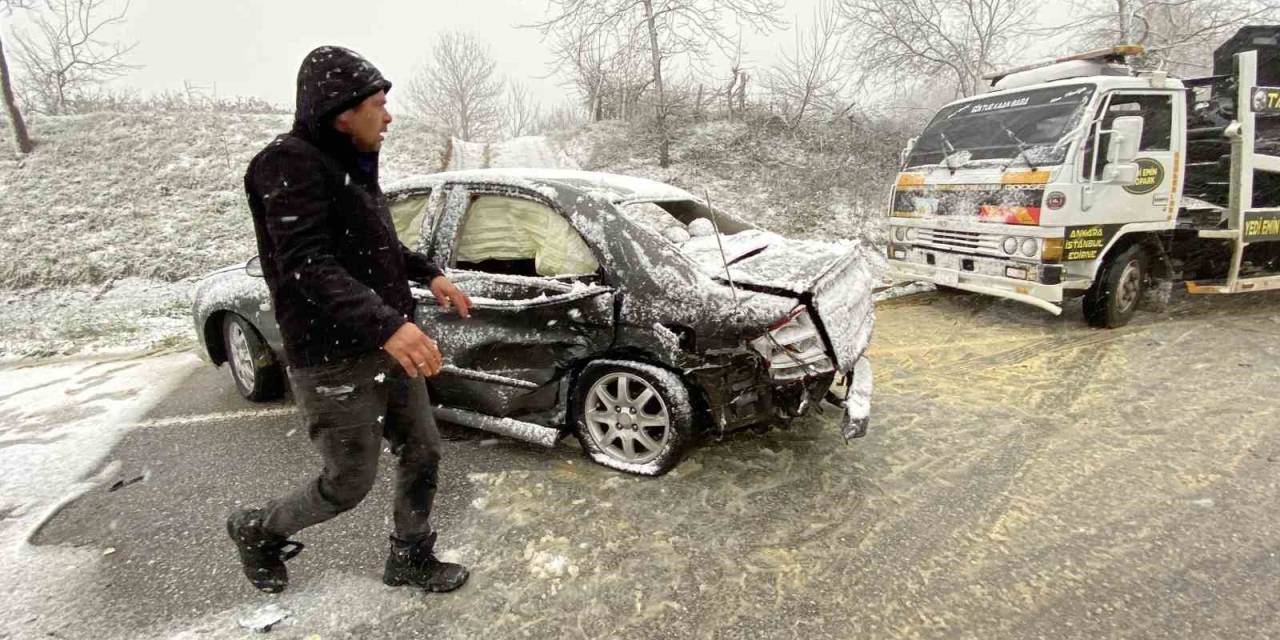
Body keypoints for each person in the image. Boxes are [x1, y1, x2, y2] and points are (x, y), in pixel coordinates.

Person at [227, 45, 472, 595]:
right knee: (347, 483)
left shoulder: (351, 168)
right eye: (380, 104)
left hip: (385, 344)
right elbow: (305, 266)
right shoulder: (286, 164)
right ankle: (258, 529)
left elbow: (375, 249)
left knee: (424, 448)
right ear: (342, 110)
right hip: (334, 358)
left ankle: (409, 555)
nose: (389, 117)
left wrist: (428, 272)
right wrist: (388, 324)